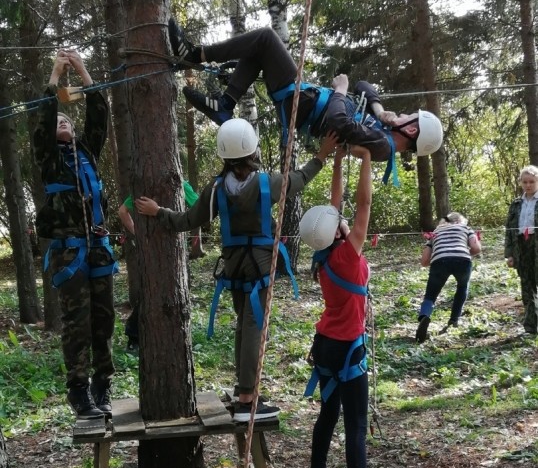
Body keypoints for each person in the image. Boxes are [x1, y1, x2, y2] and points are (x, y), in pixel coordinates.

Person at [136, 118, 338, 422]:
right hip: (259, 266)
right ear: (252, 148)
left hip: (235, 267)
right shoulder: (268, 182)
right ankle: (246, 399)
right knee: (253, 328)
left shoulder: (217, 189)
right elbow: (300, 178)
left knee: (245, 325)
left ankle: (247, 390)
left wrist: (159, 212)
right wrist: (322, 155)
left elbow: (188, 220)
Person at [168, 20, 443, 183]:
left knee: (265, 38)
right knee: (258, 50)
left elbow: (338, 122)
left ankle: (195, 55)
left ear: (410, 130)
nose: (405, 114)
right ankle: (225, 105)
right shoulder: (382, 131)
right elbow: (364, 86)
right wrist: (381, 111)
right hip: (303, 105)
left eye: (409, 116)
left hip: (303, 108)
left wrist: (339, 90)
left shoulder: (382, 146)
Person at [298, 142, 380, 468]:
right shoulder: (348, 254)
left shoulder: (324, 254)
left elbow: (337, 204)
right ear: (338, 231)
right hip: (347, 348)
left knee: (328, 415)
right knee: (356, 426)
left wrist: (336, 161)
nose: (344, 217)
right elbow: (362, 206)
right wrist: (364, 159)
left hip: (326, 346)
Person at [33, 50, 117, 419]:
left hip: (97, 245)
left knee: (105, 319)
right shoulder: (49, 158)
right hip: (69, 253)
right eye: (59, 121)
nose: (63, 123)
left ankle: (103, 385)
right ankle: (79, 392)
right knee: (77, 324)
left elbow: (100, 113)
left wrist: (82, 70)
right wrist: (55, 74)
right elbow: (43, 117)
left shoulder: (87, 153)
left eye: (68, 119)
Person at [119, 182, 204, 352]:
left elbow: (122, 211)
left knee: (154, 292)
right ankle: (137, 336)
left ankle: (140, 337)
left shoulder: (141, 187)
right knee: (162, 292)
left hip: (160, 251)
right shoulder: (180, 182)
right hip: (167, 252)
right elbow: (198, 212)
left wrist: (137, 232)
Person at [415, 213, 481, 343]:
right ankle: (454, 319)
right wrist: (465, 253)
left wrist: (437, 256)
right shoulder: (466, 228)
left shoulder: (436, 232)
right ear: (461, 221)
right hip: (462, 260)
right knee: (462, 287)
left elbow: (424, 261)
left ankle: (424, 316)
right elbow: (476, 248)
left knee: (431, 295)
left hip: (440, 261)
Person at [505, 165, 538, 336]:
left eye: (532, 182)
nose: (528, 185)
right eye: (525, 182)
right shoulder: (516, 204)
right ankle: (531, 327)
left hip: (536, 244)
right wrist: (509, 254)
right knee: (527, 285)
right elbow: (509, 230)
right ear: (520, 183)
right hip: (521, 245)